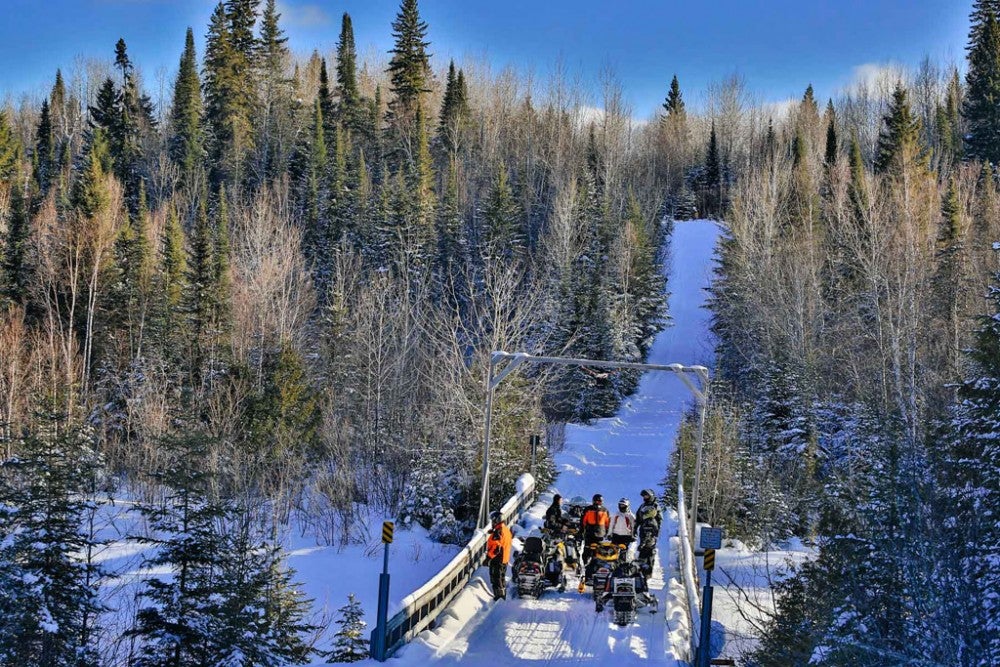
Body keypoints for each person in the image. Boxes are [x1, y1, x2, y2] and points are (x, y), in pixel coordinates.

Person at [486, 510, 513, 600]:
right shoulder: (506, 529)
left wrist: (488, 558)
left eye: (493, 520)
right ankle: (503, 595)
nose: (492, 522)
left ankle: (499, 597)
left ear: (496, 520)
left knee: (496, 578)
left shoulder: (498, 532)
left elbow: (496, 548)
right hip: (504, 558)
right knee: (501, 577)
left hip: (497, 559)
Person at [580, 493, 610, 567]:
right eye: (596, 501)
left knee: (598, 552)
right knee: (587, 551)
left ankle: (597, 566)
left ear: (601, 502)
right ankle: (585, 565)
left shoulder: (605, 510)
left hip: (600, 534)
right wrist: (581, 531)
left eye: (599, 501)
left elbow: (607, 523)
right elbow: (583, 521)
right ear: (593, 501)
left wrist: (608, 532)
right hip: (589, 533)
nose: (597, 503)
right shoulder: (588, 509)